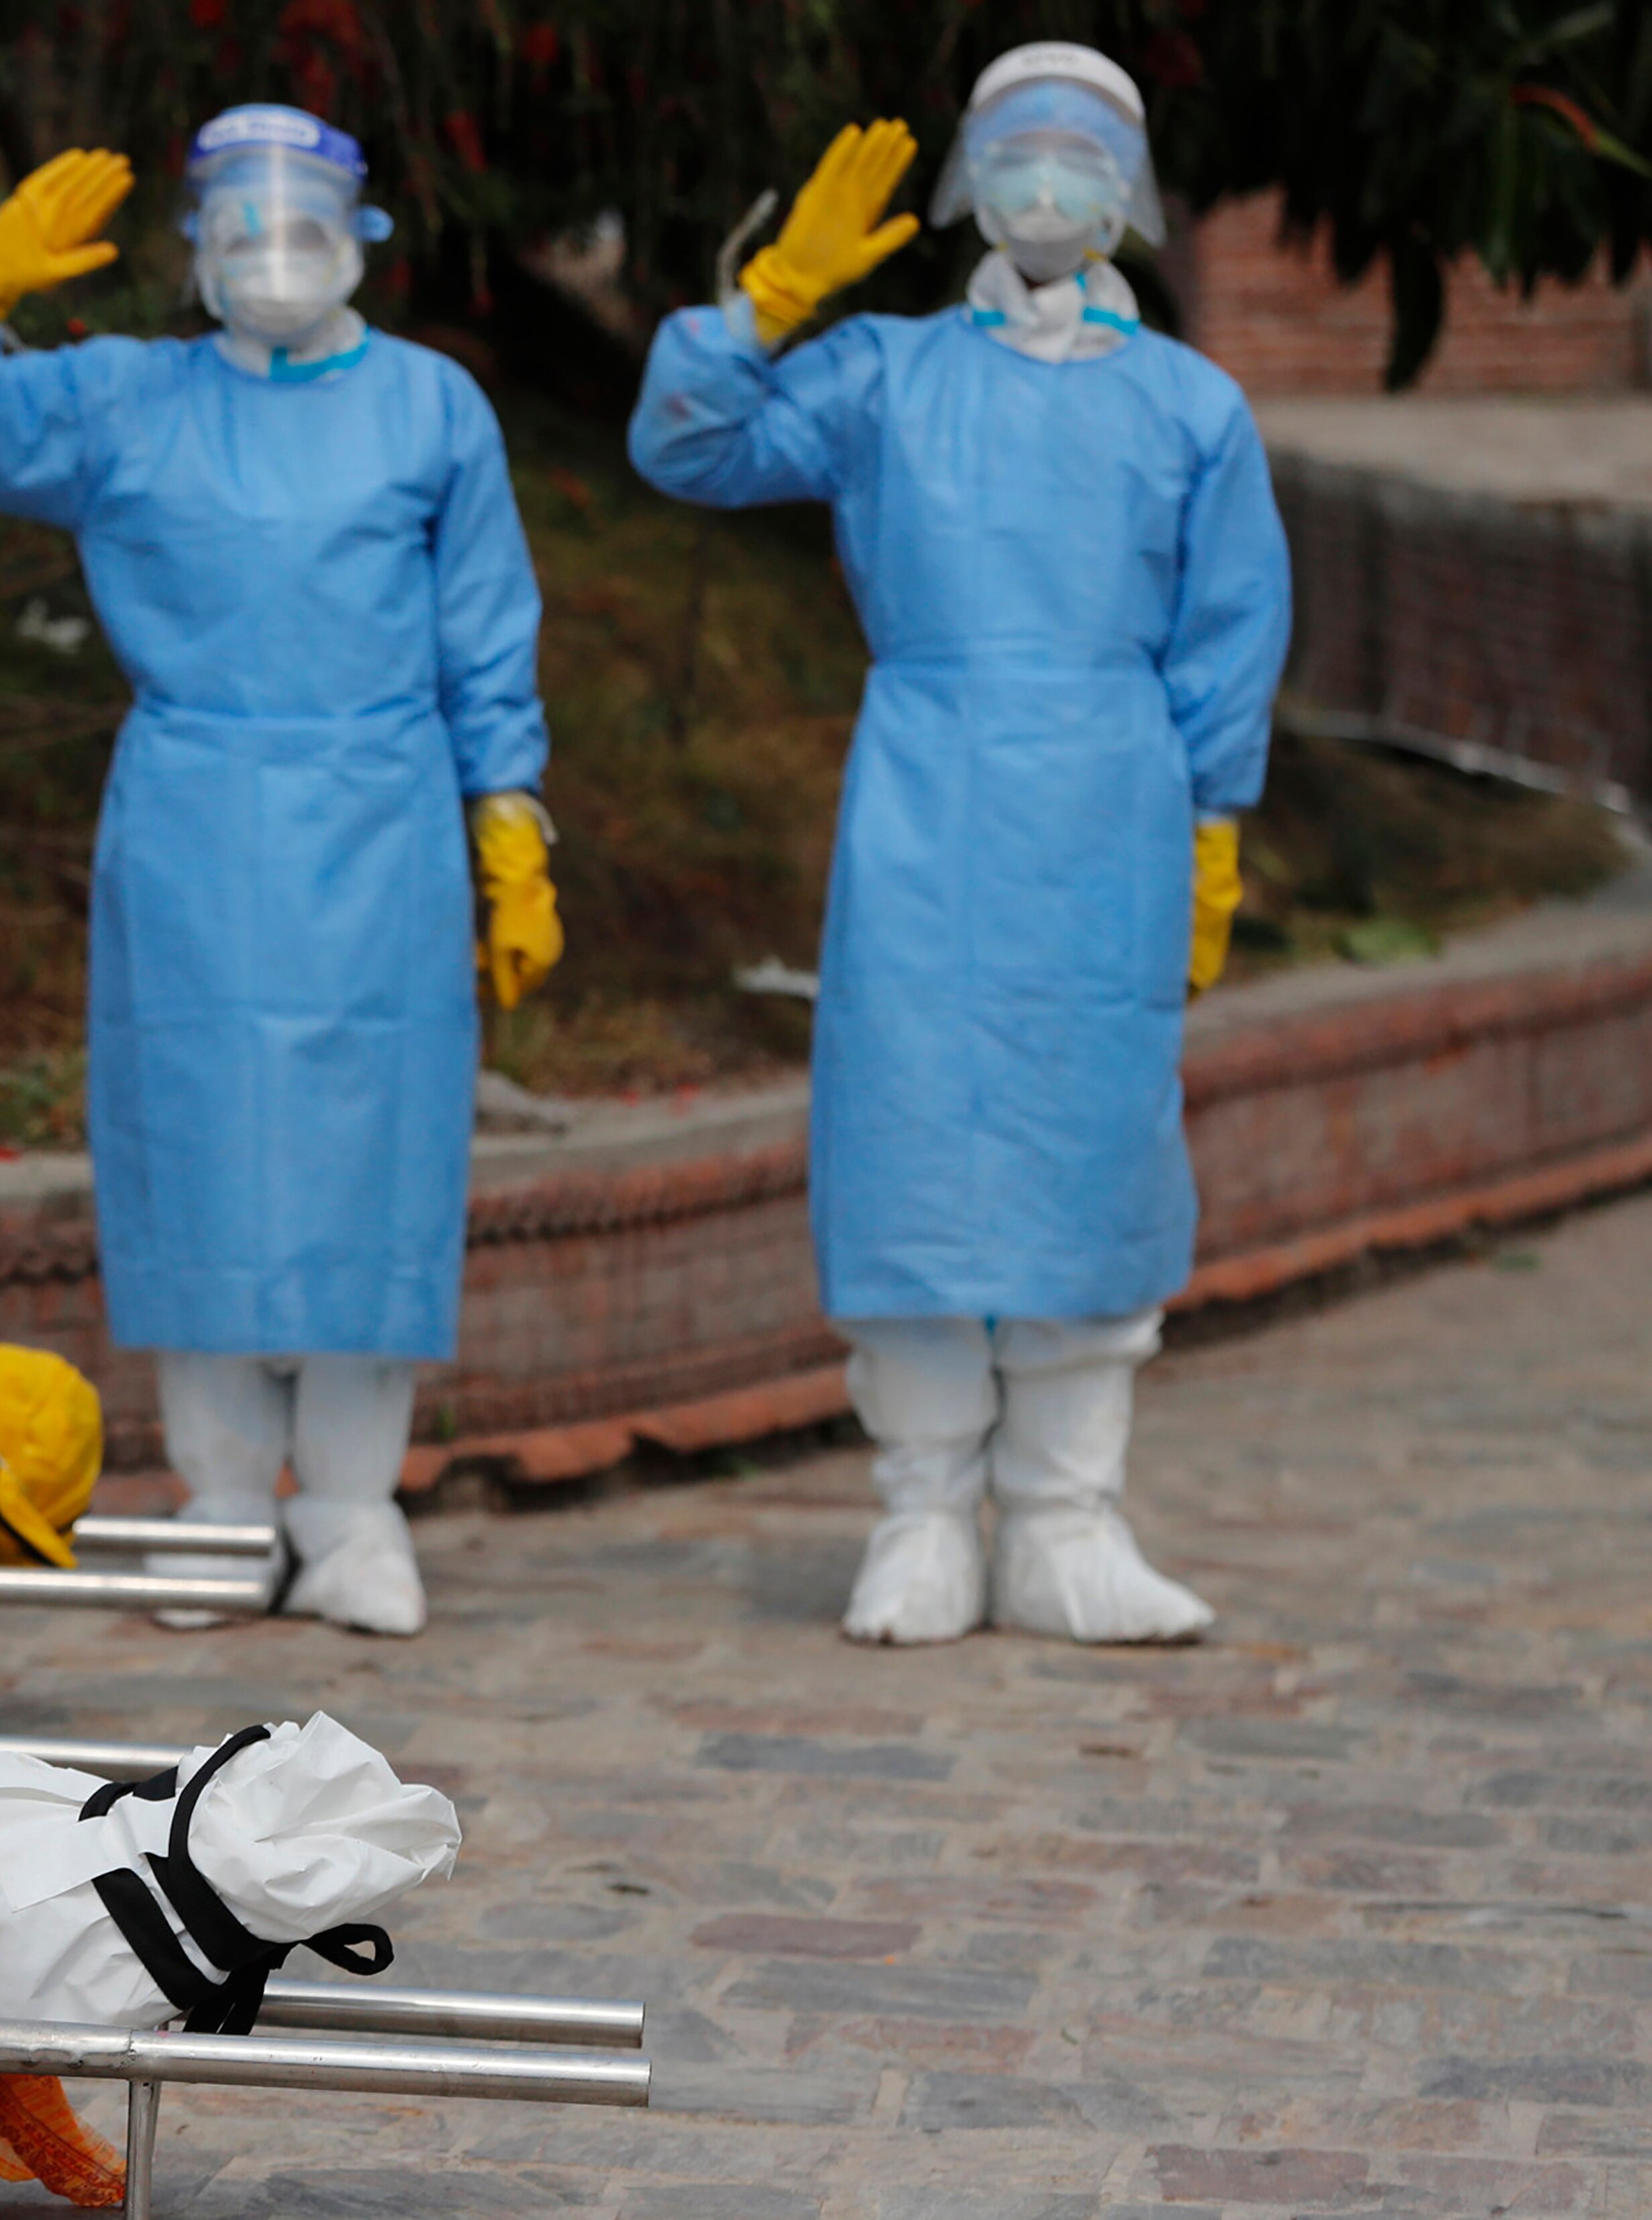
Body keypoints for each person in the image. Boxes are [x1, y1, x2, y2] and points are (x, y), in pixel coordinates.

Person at [0, 110, 561, 1636]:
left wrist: (506, 816)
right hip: (193, 816)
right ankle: (226, 1494)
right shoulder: (127, 400)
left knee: (374, 1157)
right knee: (203, 1152)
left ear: (360, 233)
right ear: (195, 247)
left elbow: (484, 625)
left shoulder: (431, 409)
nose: (271, 252)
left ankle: (356, 1502)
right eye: (238, 227)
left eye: (301, 222)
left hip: (386, 808)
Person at [626, 44, 1288, 1645]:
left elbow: (1226, 629)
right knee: (911, 1140)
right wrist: (762, 304)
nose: (1046, 185)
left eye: (1078, 158)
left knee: (1092, 1147)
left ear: (1122, 196)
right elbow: (691, 448)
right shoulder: (881, 375)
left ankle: (1067, 1517)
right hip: (923, 799)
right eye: (1017, 152)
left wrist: (1209, 822)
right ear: (972, 181)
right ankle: (920, 1509)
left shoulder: (1189, 406)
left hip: (1109, 808)